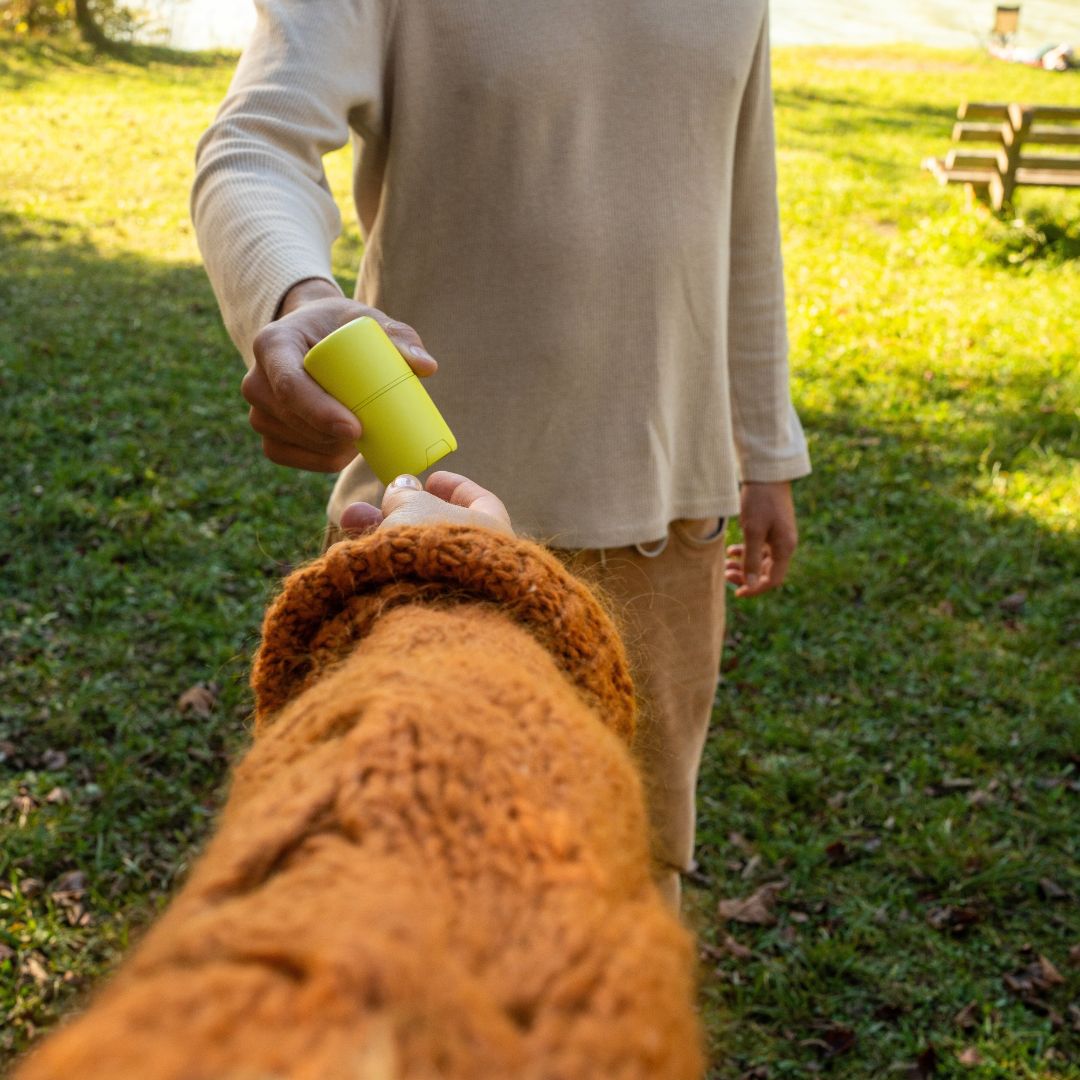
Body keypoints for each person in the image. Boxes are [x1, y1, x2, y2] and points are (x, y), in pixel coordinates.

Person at [191, 0, 811, 905]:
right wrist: (293, 299)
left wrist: (765, 447)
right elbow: (255, 145)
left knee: (627, 873)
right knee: (403, 875)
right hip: (428, 526)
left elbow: (743, 214)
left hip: (671, 526)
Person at [15, 474, 703, 1079]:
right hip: (432, 501)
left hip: (662, 503)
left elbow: (386, 775)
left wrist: (768, 457)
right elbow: (424, 779)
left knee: (643, 852)